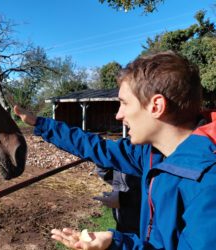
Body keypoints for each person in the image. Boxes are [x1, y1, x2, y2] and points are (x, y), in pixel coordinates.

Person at [14, 51, 216, 249]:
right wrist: (41, 124)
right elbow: (96, 147)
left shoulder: (207, 184)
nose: (119, 115)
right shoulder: (152, 153)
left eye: (124, 103)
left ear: (156, 106)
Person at [94, 168, 141, 235]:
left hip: (141, 225)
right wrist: (103, 168)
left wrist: (124, 198)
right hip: (123, 221)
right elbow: (117, 177)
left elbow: (154, 195)